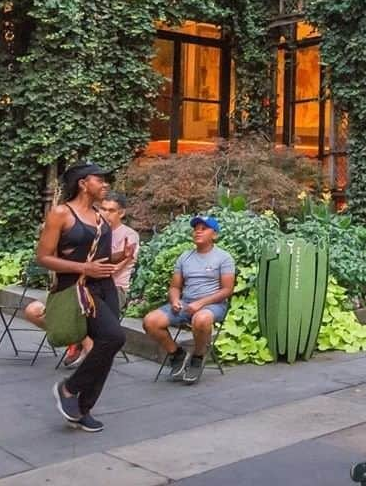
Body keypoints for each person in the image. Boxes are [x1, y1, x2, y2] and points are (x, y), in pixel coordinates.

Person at [35, 163, 134, 432]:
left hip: (105, 287)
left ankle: (83, 408)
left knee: (108, 346)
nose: (105, 185)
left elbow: (98, 258)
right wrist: (84, 269)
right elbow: (43, 257)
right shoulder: (60, 214)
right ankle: (69, 388)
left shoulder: (101, 217)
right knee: (115, 336)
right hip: (79, 289)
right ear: (82, 183)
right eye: (99, 180)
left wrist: (119, 256)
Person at [23, 192, 139, 368]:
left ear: (121, 213)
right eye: (102, 209)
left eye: (111, 210)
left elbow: (112, 269)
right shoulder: (89, 230)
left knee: (85, 312)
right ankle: (82, 341)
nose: (105, 213)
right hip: (78, 285)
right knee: (33, 310)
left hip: (112, 290)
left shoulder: (128, 236)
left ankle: (83, 346)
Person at [142, 215, 235, 385]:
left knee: (201, 319)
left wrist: (200, 303)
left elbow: (227, 290)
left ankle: (198, 358)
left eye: (203, 229)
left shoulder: (224, 258)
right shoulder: (184, 257)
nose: (198, 232)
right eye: (196, 229)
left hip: (213, 305)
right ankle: (177, 354)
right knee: (150, 321)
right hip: (186, 303)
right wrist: (175, 300)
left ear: (214, 235)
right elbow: (175, 287)